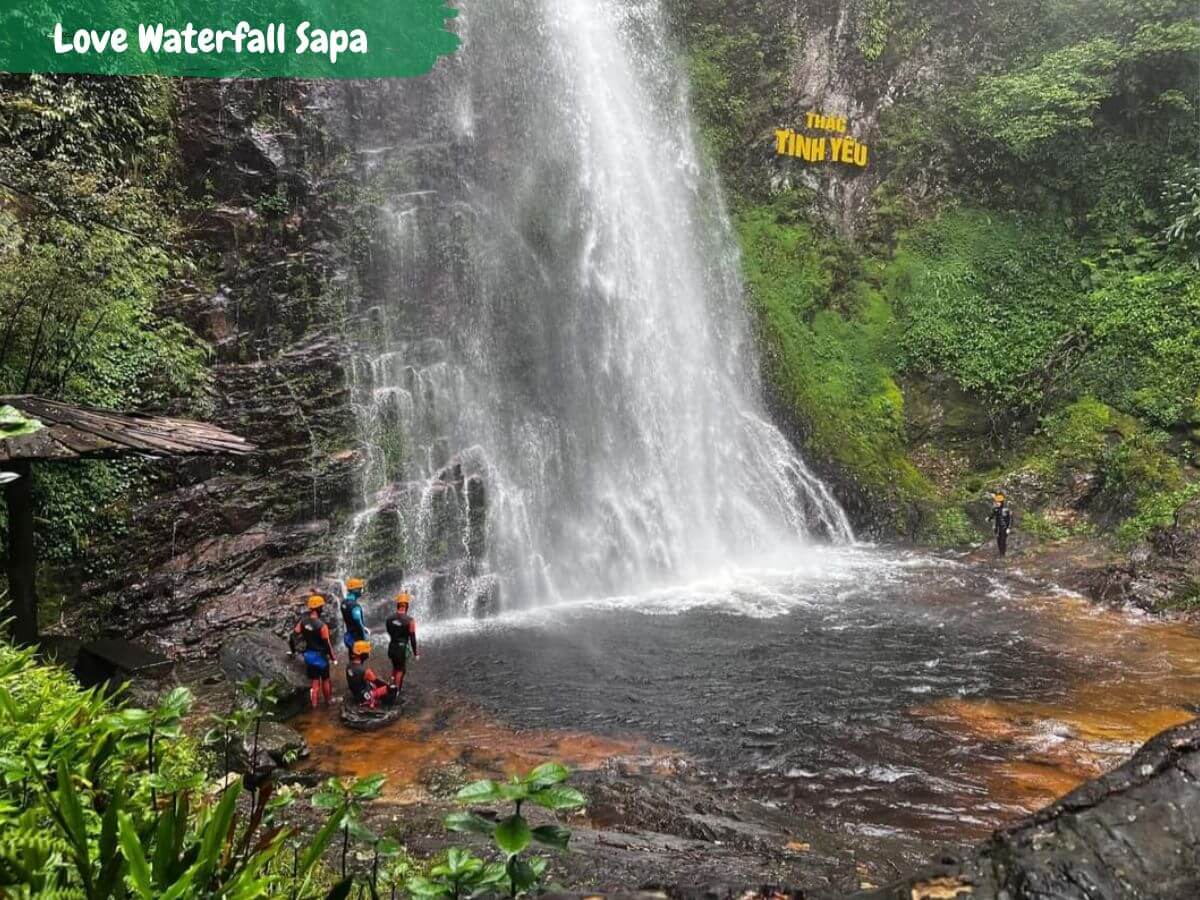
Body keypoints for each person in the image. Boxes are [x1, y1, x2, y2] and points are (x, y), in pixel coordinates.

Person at [291, 595, 338, 708]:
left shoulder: (303, 622)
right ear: (318, 608)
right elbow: (327, 644)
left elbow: (293, 636)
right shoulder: (322, 626)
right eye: (321, 607)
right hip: (320, 657)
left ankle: (314, 705)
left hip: (309, 655)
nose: (322, 608)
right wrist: (333, 658)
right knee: (326, 679)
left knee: (315, 682)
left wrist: (293, 650)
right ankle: (329, 701)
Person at [346, 640, 398, 709]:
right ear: (362, 654)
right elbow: (380, 683)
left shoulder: (349, 666)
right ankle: (386, 707)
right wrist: (388, 686)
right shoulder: (365, 671)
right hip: (365, 696)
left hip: (356, 693)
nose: (368, 653)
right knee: (392, 688)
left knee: (371, 683)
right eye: (367, 652)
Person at [385, 591, 419, 691]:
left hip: (392, 646)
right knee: (401, 670)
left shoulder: (389, 619)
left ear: (398, 605)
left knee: (395, 667)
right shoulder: (410, 620)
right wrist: (415, 652)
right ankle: (396, 691)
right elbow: (412, 637)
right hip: (401, 648)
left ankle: (391, 683)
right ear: (406, 605)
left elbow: (389, 631)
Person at [340, 577, 369, 651]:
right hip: (356, 639)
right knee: (358, 659)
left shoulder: (343, 603)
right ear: (356, 590)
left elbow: (350, 619)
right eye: (360, 589)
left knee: (352, 656)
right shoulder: (355, 606)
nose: (361, 591)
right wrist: (364, 637)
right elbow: (357, 622)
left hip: (349, 636)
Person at [988, 492, 1014, 556]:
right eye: (997, 502)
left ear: (1002, 502)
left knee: (1003, 541)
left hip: (1004, 528)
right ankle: (1000, 553)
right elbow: (992, 516)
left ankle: (1003, 553)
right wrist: (988, 519)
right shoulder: (995, 509)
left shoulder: (1007, 510)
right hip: (997, 528)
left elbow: (1010, 519)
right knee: (998, 541)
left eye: (998, 502)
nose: (997, 503)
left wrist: (1009, 528)